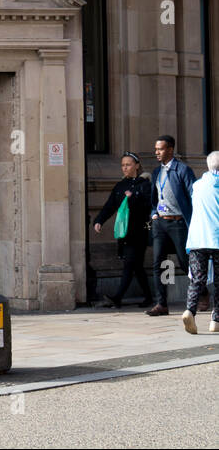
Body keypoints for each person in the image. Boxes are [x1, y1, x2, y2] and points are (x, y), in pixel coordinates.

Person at [91, 152, 153, 308]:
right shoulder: (120, 186)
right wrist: (99, 221)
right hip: (124, 232)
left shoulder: (144, 184)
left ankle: (117, 297)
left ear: (137, 166)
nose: (125, 168)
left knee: (129, 263)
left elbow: (149, 206)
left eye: (128, 165)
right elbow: (110, 206)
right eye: (123, 165)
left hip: (139, 232)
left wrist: (134, 197)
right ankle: (148, 297)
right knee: (136, 266)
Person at [146, 135, 197, 316]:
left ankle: (202, 293)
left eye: (160, 149)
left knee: (185, 262)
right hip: (160, 223)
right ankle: (162, 304)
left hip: (178, 223)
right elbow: (154, 198)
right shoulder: (156, 172)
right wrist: (153, 213)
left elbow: (193, 195)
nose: (156, 152)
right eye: (156, 149)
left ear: (170, 149)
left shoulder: (182, 170)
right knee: (158, 263)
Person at [182, 151, 219, 334]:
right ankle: (216, 320)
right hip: (217, 238)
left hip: (197, 239)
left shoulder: (197, 185)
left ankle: (190, 310)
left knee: (197, 279)